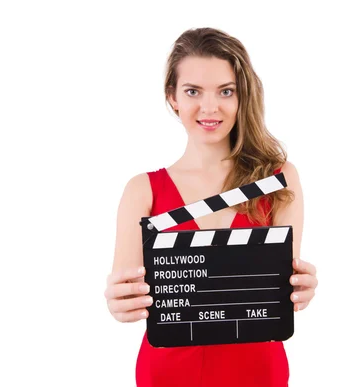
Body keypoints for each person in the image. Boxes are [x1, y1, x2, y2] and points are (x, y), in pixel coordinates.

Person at [104, 27, 318, 386]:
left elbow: (283, 289)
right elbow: (126, 295)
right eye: (192, 91)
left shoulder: (279, 179)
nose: (209, 107)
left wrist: (300, 288)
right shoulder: (143, 191)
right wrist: (118, 301)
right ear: (172, 97)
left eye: (225, 91)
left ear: (241, 96)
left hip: (256, 368)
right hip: (168, 369)